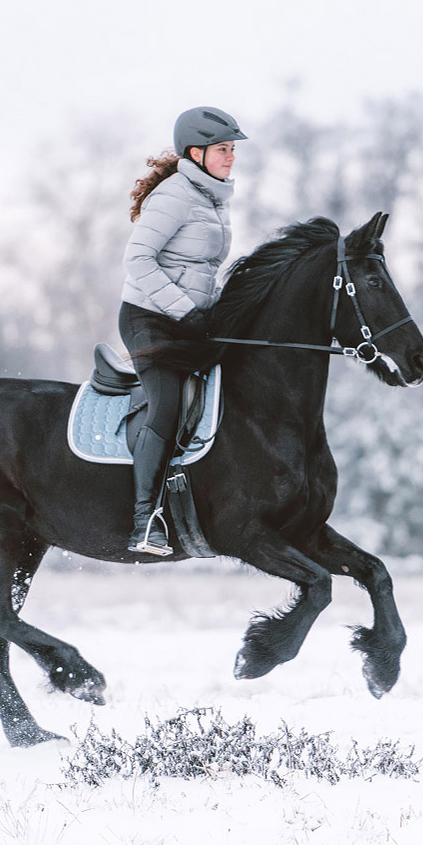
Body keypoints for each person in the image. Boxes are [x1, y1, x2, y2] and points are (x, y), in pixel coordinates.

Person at [118, 106, 246, 554]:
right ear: (196, 153)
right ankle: (144, 520)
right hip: (149, 317)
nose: (231, 158)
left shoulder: (212, 198)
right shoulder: (175, 196)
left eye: (232, 149)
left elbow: (200, 270)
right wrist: (184, 310)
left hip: (187, 318)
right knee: (168, 403)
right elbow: (137, 261)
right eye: (224, 150)